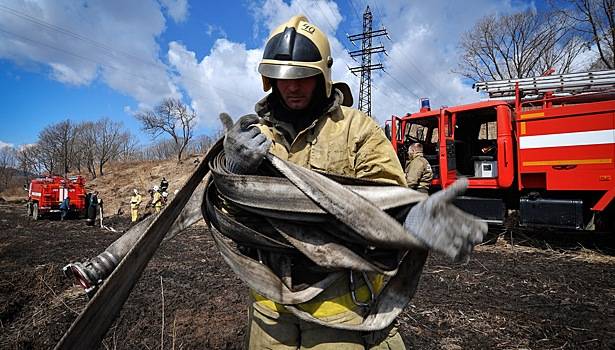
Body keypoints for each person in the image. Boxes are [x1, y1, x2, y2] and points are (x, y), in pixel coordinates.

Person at [222, 15, 485, 349]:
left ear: (323, 74)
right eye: (282, 76)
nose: (292, 86)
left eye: (303, 75)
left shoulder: (357, 129)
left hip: (339, 305)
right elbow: (233, 214)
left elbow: (388, 197)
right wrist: (232, 169)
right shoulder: (254, 137)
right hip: (269, 303)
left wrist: (411, 218)